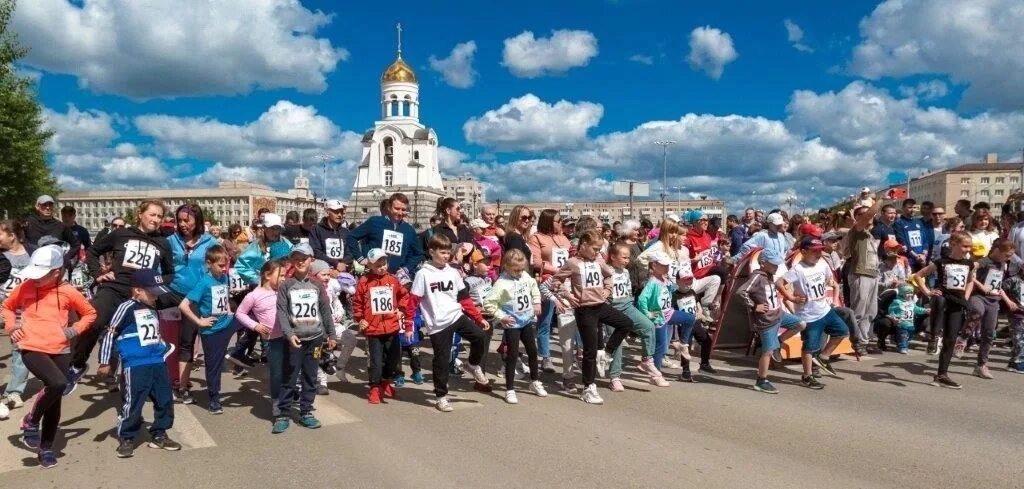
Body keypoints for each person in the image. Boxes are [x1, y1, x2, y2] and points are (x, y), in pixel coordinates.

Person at [3, 245, 96, 468]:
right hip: (30, 346)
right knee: (58, 383)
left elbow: (90, 313)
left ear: (56, 273)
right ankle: (31, 421)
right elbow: (7, 306)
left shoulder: (68, 291)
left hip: (60, 349)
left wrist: (74, 330)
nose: (34, 279)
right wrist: (10, 326)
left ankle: (45, 448)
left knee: (54, 400)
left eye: (40, 275)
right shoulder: (25, 286)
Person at [70, 200, 173, 394]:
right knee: (94, 321)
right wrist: (97, 274)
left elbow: (170, 273)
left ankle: (132, 398)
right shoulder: (121, 234)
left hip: (140, 296)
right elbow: (92, 252)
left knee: (135, 344)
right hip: (114, 289)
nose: (156, 219)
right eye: (152, 214)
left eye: (159, 216)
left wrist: (153, 281)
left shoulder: (163, 243)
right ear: (140, 214)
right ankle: (77, 365)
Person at [97, 269, 181, 457]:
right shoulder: (126, 307)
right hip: (135, 364)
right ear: (137, 291)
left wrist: (164, 348)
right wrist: (104, 361)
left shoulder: (152, 307)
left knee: (165, 399)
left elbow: (153, 334)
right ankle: (127, 437)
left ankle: (160, 433)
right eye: (152, 292)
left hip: (157, 361)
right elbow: (110, 333)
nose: (156, 296)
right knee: (133, 402)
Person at [404, 233, 490, 412]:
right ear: (431, 252)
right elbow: (412, 303)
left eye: (448, 253)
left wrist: (478, 318)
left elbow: (464, 298)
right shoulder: (423, 274)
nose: (446, 256)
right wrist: (408, 325)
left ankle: (472, 365)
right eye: (442, 252)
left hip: (456, 316)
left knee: (480, 337)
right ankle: (441, 396)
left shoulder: (453, 272)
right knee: (441, 361)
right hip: (437, 324)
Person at [552, 229, 635, 405]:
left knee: (626, 323)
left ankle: (607, 353)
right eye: (595, 249)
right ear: (583, 246)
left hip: (601, 305)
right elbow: (556, 281)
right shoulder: (572, 263)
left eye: (599, 249)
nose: (598, 252)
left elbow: (609, 275)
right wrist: (567, 294)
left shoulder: (598, 260)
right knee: (590, 350)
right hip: (584, 310)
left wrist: (607, 290)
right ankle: (588, 387)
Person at [272, 244, 338, 432]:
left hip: (315, 338)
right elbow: (282, 312)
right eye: (296, 258)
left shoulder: (317, 285)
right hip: (295, 339)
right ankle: (283, 413)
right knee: (290, 377)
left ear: (311, 260)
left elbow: (325, 311)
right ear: (292, 261)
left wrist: (331, 334)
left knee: (310, 376)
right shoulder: (286, 285)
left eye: (304, 258)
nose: (300, 261)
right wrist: (289, 333)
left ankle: (306, 410)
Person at [776, 237, 850, 389]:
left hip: (825, 309)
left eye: (820, 251)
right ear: (803, 251)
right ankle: (807, 376)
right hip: (809, 315)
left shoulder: (822, 265)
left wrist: (835, 300)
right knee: (809, 347)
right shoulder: (798, 269)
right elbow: (779, 283)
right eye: (814, 251)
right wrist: (791, 297)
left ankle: (823, 357)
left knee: (842, 331)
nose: (818, 254)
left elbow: (833, 283)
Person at [166, 204, 219, 404]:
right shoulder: (170, 241)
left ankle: (181, 386)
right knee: (169, 341)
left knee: (187, 341)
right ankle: (169, 380)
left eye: (186, 220)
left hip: (195, 298)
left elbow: (218, 268)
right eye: (179, 220)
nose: (182, 224)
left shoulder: (210, 242)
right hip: (172, 295)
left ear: (197, 220)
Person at [910, 231, 975, 389]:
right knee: (938, 300)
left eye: (970, 247)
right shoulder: (941, 262)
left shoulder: (969, 264)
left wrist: (965, 297)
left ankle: (941, 375)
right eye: (965, 246)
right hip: (943, 297)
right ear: (953, 244)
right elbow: (918, 275)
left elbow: (971, 281)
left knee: (950, 339)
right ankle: (933, 336)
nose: (968, 249)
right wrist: (926, 291)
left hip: (957, 302)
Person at [227, 213, 292, 369]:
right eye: (272, 229)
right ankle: (241, 353)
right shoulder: (256, 246)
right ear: (264, 229)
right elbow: (241, 266)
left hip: (281, 288)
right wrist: (260, 280)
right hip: (261, 289)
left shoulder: (286, 244)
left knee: (270, 321)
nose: (275, 232)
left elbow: (291, 263)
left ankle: (246, 353)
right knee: (257, 322)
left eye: (278, 228)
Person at [483, 249, 547, 404]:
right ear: (506, 266)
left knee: (532, 351)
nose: (519, 272)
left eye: (522, 269)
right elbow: (488, 303)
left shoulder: (525, 276)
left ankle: (534, 381)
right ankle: (510, 389)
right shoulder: (501, 283)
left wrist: (536, 302)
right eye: (516, 270)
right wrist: (501, 316)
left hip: (526, 321)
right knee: (512, 355)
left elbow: (534, 288)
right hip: (512, 324)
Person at [178, 245, 236, 414]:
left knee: (250, 318)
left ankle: (238, 353)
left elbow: (223, 299)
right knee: (214, 366)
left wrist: (230, 311)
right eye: (220, 265)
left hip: (226, 323)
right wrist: (199, 321)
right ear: (209, 264)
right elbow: (183, 305)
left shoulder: (225, 278)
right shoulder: (204, 282)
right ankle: (214, 399)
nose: (224, 269)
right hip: (211, 331)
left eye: (226, 265)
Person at [738, 248, 805, 394]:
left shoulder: (769, 276)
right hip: (766, 320)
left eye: (776, 264)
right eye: (773, 264)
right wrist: (755, 306)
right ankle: (761, 380)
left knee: (801, 324)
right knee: (767, 352)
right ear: (763, 263)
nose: (776, 267)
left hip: (778, 314)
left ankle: (779, 342)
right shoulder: (757, 276)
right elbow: (742, 292)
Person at [605, 242, 667, 389]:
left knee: (648, 327)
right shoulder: (606, 270)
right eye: (624, 257)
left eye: (628, 257)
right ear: (613, 257)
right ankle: (615, 377)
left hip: (627, 306)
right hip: (612, 310)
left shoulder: (625, 272)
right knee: (617, 343)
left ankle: (647, 360)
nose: (627, 260)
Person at [352, 248, 409, 404]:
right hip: (373, 329)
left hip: (392, 326)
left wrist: (401, 310)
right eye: (378, 265)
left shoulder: (393, 280)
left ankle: (386, 381)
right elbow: (357, 303)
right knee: (376, 361)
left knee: (393, 358)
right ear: (370, 265)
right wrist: (360, 319)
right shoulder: (364, 282)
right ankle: (375, 387)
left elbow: (404, 295)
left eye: (384, 263)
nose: (382, 267)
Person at [234, 261, 286, 418]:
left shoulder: (283, 290)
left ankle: (288, 394)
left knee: (290, 369)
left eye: (284, 275)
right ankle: (276, 401)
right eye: (281, 275)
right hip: (272, 340)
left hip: (289, 337)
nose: (284, 278)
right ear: (267, 275)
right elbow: (240, 313)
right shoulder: (254, 295)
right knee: (276, 372)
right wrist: (255, 326)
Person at [961, 238, 1014, 378]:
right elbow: (970, 270)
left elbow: (998, 284)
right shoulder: (985, 261)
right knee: (977, 311)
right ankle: (963, 338)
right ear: (997, 250)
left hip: (993, 300)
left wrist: (1006, 299)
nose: (1008, 258)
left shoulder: (1004, 264)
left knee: (989, 334)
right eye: (1007, 255)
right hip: (979, 297)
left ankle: (981, 365)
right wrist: (981, 286)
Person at [528, 209, 572, 373]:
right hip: (548, 282)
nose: (561, 224)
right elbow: (537, 263)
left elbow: (571, 257)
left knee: (570, 319)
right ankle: (545, 357)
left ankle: (574, 354)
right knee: (545, 321)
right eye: (558, 221)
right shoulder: (536, 237)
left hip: (566, 283)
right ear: (548, 221)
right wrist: (558, 271)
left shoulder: (563, 238)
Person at [348, 193, 423, 284]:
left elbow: (418, 253)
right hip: (372, 276)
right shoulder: (375, 222)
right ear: (389, 207)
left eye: (403, 210)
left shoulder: (409, 229)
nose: (400, 213)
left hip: (396, 278)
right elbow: (351, 237)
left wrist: (406, 268)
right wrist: (360, 259)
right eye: (397, 208)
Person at [0, 220, 34, 419]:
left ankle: (14, 391)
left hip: (23, 310)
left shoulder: (33, 253)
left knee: (20, 348)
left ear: (11, 235)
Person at [845, 200, 882, 355]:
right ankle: (853, 341)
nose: (868, 217)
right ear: (857, 218)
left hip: (873, 274)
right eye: (862, 215)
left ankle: (863, 341)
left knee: (871, 312)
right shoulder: (856, 230)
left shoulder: (869, 233)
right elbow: (868, 215)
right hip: (860, 274)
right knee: (858, 311)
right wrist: (881, 199)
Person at [24, 195, 78, 263]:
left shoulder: (61, 226)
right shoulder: (28, 223)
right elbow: (18, 242)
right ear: (37, 207)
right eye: (44, 205)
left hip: (55, 266)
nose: (48, 207)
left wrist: (65, 258)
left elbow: (75, 244)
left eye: (50, 205)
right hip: (32, 265)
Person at [879, 284, 929, 354]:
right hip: (901, 322)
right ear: (902, 293)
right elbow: (891, 310)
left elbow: (917, 309)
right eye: (908, 293)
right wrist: (894, 317)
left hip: (910, 323)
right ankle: (903, 347)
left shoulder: (911, 302)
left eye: (911, 293)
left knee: (910, 335)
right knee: (903, 335)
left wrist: (925, 310)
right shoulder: (897, 302)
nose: (910, 295)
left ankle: (899, 341)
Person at [310, 200, 352, 277]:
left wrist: (342, 265)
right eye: (336, 212)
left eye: (341, 212)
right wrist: (335, 264)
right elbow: (316, 251)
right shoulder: (316, 229)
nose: (339, 215)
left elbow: (349, 252)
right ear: (327, 212)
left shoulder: (345, 232)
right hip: (323, 272)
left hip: (342, 271)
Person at [893, 198, 930, 271]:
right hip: (909, 261)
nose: (912, 209)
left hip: (922, 259)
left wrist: (924, 255)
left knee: (923, 282)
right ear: (903, 208)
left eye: (914, 207)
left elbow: (925, 240)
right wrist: (916, 256)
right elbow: (902, 241)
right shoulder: (899, 223)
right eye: (910, 207)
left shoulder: (919, 222)